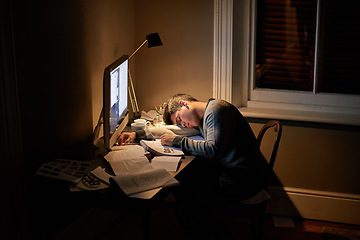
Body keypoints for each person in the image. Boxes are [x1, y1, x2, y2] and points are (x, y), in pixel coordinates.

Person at [118, 93, 267, 238]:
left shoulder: (217, 111)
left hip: (242, 180)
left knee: (185, 200)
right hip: (232, 172)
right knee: (183, 185)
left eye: (179, 118)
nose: (182, 124)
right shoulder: (206, 115)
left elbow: (212, 151)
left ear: (184, 104)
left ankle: (206, 229)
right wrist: (138, 134)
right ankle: (204, 224)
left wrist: (177, 141)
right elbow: (175, 130)